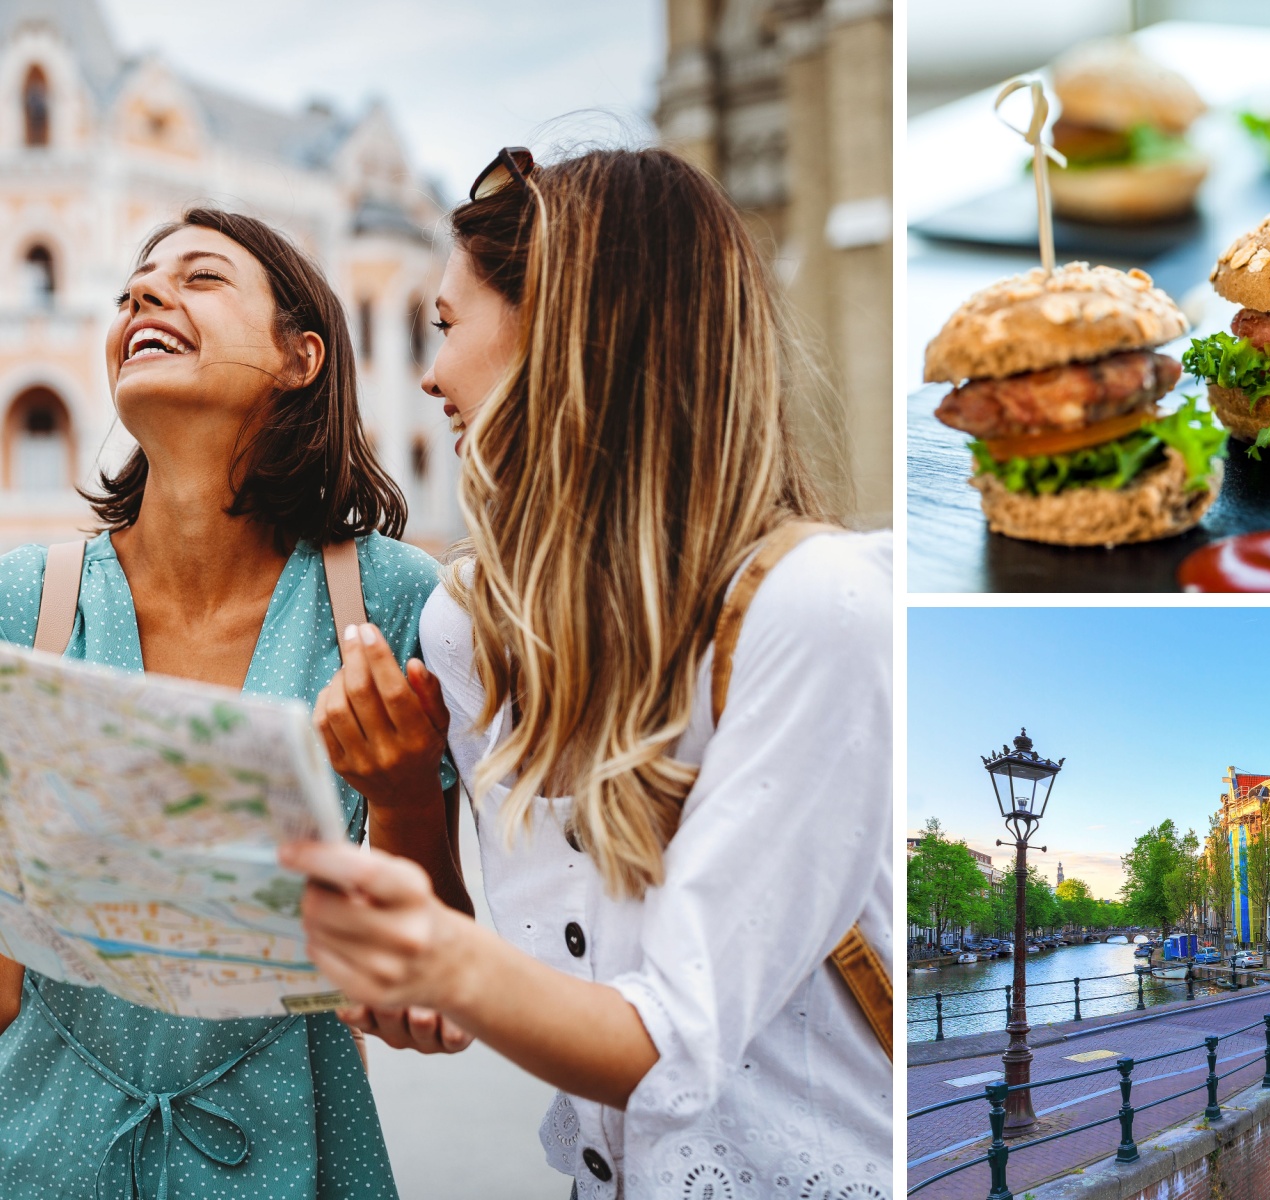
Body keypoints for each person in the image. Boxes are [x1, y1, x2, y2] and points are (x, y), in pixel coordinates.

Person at [280, 147, 893, 1199]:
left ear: (564, 331)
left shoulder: (814, 606)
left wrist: (426, 951)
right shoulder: (470, 625)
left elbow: (670, 1044)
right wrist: (398, 803)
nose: (429, 375)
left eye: (447, 325)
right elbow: (482, 998)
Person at [0, 210, 469, 1198]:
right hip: (38, 1159)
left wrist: (406, 797)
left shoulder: (390, 599)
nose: (142, 296)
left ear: (301, 357)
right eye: (134, 284)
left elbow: (430, 994)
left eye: (199, 277)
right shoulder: (20, 603)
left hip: (298, 1162)